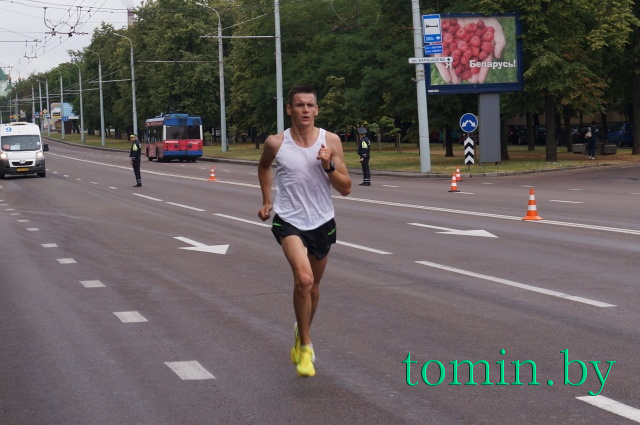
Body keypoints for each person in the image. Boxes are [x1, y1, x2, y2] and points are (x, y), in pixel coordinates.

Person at [257, 85, 351, 377]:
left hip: (322, 220)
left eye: (310, 105)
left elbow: (346, 188)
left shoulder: (330, 141)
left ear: (317, 110)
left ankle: (302, 328)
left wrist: (329, 165)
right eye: (299, 105)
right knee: (304, 279)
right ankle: (306, 346)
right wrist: (267, 200)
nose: (305, 110)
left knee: (314, 288)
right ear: (289, 109)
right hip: (289, 219)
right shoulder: (276, 142)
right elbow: (264, 167)